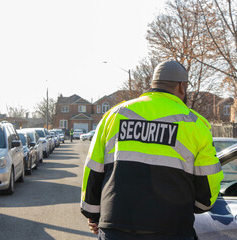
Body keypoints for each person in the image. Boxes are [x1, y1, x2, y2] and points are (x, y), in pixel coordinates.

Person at [80, 60, 223, 240]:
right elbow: (206, 191)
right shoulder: (195, 124)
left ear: (153, 84)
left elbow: (93, 168)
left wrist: (93, 215)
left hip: (116, 227)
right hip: (172, 229)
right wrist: (197, 206)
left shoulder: (114, 116)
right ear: (182, 86)